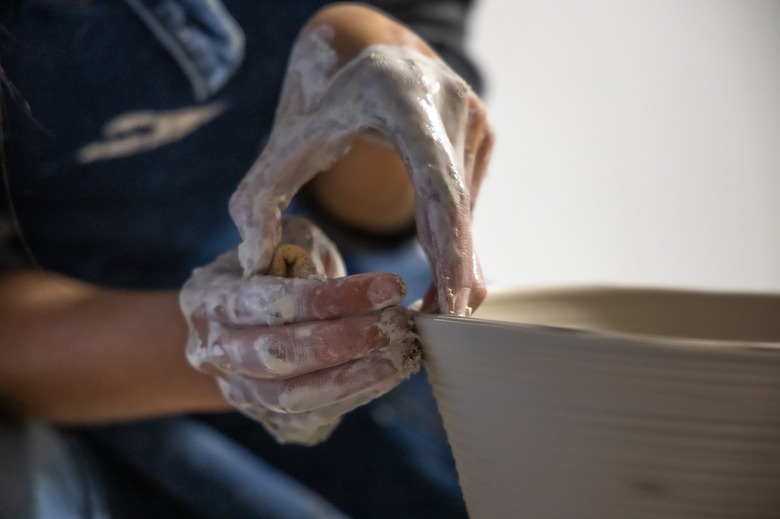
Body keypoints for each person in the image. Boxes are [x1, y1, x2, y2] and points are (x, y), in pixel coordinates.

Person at [0, 1, 493, 517]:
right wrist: (219, 346)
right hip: (74, 350)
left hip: (347, 284)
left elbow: (374, 218)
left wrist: (363, 59)